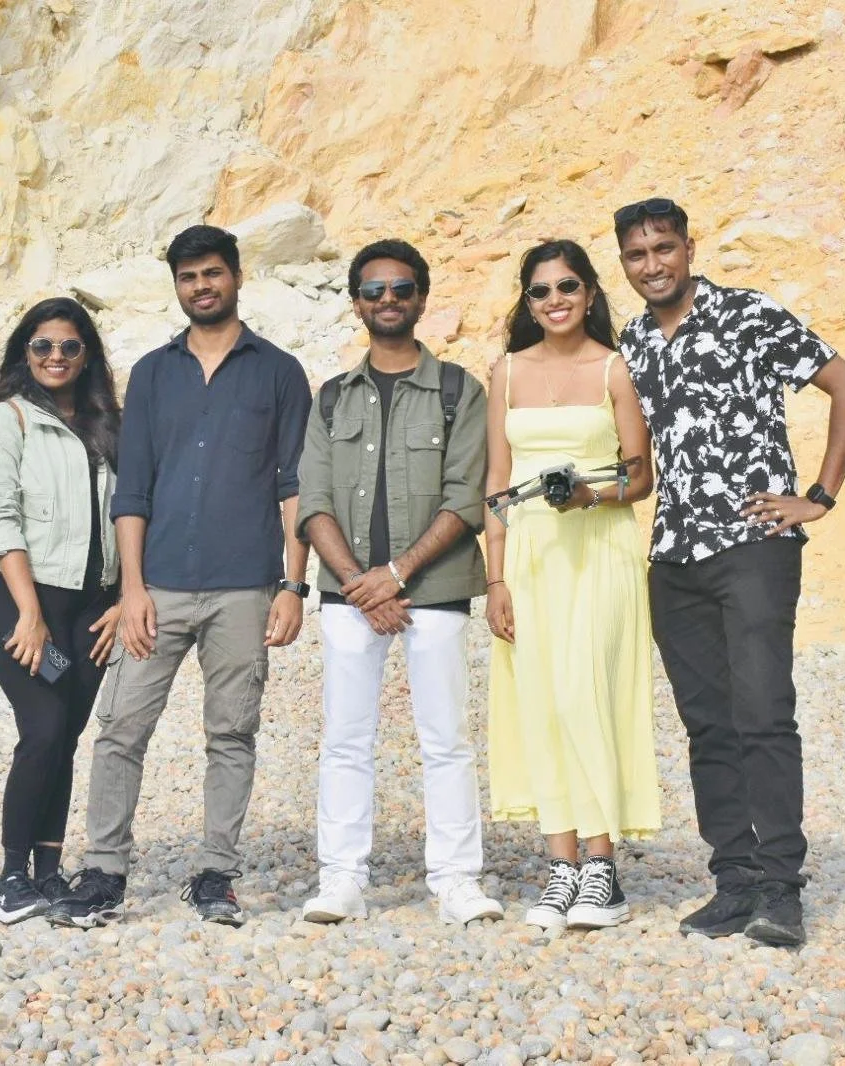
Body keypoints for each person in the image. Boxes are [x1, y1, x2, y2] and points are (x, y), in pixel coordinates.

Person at [613, 197, 845, 947]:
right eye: (637, 254)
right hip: (674, 556)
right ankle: (734, 881)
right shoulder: (633, 341)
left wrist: (819, 495)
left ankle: (781, 888)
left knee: (763, 713)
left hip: (753, 546)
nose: (653, 265)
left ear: (689, 248)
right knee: (708, 726)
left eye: (664, 248)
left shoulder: (749, 314)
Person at [46, 224, 313, 929]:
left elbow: (294, 485)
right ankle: (104, 872)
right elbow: (132, 488)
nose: (202, 286)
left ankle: (217, 874)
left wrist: (293, 586)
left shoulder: (279, 372)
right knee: (120, 729)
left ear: (237, 277)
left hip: (245, 587)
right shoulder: (153, 373)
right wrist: (131, 590)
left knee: (232, 732)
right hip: (158, 586)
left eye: (213, 273)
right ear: (177, 286)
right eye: (189, 276)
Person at [295, 239, 500, 927]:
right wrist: (361, 584)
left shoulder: (458, 391)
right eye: (374, 290)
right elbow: (313, 500)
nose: (388, 300)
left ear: (422, 298)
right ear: (356, 303)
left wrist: (395, 575)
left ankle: (457, 882)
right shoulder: (331, 398)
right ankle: (341, 880)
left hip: (433, 591)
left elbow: (465, 497)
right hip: (349, 597)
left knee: (446, 739)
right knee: (345, 740)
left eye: (401, 289)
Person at [484, 239, 662, 935]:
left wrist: (591, 494)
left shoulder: (616, 368)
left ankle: (602, 868)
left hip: (598, 547)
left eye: (567, 287)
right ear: (527, 302)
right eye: (540, 291)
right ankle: (562, 865)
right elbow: (497, 483)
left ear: (589, 292)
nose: (554, 300)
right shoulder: (505, 372)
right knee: (543, 702)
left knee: (590, 695)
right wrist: (495, 578)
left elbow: (640, 475)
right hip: (529, 555)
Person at [0, 297, 122, 924]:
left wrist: (124, 597)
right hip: (22, 597)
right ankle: (10, 876)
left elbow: (130, 513)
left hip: (91, 604)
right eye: (42, 346)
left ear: (87, 356)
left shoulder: (107, 425)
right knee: (44, 726)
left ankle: (49, 870)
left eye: (69, 346)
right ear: (24, 352)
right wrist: (29, 615)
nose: (56, 357)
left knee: (67, 733)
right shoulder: (5, 420)